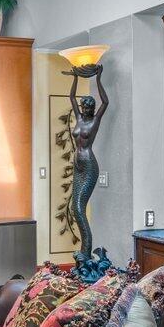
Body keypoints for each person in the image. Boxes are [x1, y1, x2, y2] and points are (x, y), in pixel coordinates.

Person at [64, 63, 109, 275]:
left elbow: (106, 101)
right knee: (75, 208)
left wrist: (98, 78)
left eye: (90, 107)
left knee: (79, 209)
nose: (87, 110)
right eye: (85, 107)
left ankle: (87, 251)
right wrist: (75, 77)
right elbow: (71, 98)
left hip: (89, 166)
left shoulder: (95, 120)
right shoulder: (80, 118)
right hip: (77, 166)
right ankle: (84, 252)